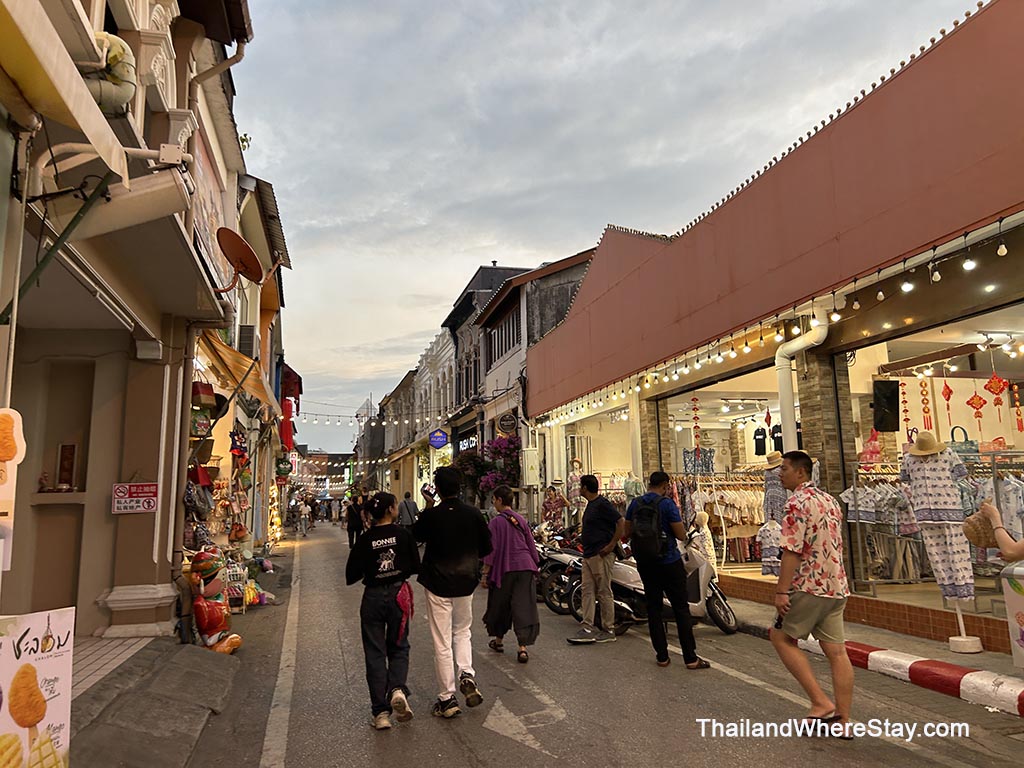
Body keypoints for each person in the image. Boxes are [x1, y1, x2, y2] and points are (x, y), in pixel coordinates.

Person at [771, 451, 853, 737]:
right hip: (836, 585)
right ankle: (843, 721)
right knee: (837, 651)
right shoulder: (829, 500)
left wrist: (782, 590)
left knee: (780, 637)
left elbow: (792, 550)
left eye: (784, 469)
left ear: (801, 473)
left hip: (809, 584)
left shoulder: (796, 503)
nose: (779, 474)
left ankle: (820, 702)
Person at [413, 466, 492, 719]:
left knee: (442, 640)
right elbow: (486, 546)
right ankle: (466, 674)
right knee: (462, 631)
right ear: (460, 487)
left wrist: (428, 505)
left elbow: (416, 536)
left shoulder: (431, 515)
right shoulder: (473, 514)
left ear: (437, 488)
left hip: (438, 582)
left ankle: (447, 698)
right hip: (465, 580)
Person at [345, 492, 420, 730]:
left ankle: (381, 713)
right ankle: (397, 689)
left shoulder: (365, 540)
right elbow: (415, 566)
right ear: (390, 509)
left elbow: (351, 576)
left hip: (373, 598)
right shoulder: (403, 535)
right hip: (398, 596)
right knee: (399, 646)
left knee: (375, 652)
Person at [624, 471, 710, 669]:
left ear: (648, 484)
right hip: (669, 562)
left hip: (646, 563)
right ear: (665, 485)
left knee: (654, 609)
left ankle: (662, 656)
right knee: (681, 608)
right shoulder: (667, 504)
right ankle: (690, 658)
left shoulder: (635, 504)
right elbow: (680, 535)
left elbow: (626, 531)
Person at [481, 485, 540, 663]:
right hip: (525, 567)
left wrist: (485, 573)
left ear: (499, 500)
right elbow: (531, 544)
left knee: (501, 605)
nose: (493, 503)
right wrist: (535, 564)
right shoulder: (520, 519)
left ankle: (498, 641)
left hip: (505, 569)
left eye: (494, 500)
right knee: (523, 606)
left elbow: (491, 551)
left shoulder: (495, 523)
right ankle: (522, 648)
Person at [567, 475, 624, 645]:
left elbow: (620, 522)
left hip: (601, 555)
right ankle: (587, 626)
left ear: (585, 488)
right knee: (587, 591)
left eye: (580, 487)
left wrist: (611, 545)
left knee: (604, 591)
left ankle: (608, 628)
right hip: (589, 554)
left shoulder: (603, 504)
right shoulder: (592, 505)